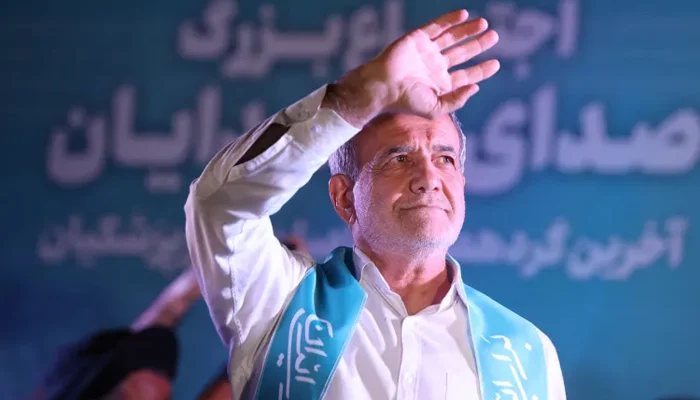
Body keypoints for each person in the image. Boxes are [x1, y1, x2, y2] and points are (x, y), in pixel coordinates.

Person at [185, 9, 566, 400]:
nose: (429, 178)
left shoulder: (525, 356)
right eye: (398, 158)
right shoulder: (280, 301)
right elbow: (219, 203)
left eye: (445, 158)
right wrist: (353, 100)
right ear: (344, 197)